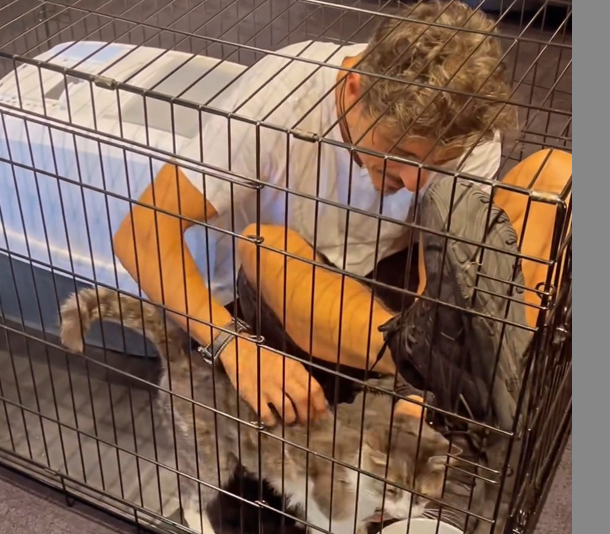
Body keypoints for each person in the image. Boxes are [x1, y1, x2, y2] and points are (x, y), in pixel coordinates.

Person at [112, 2, 571, 426]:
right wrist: (232, 344)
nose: (416, 183)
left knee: (558, 175)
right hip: (289, 296)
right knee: (265, 246)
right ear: (355, 90)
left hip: (394, 291)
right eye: (403, 154)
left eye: (438, 163)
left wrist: (430, 355)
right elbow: (142, 231)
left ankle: (452, 383)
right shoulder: (282, 93)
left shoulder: (468, 131)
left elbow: (444, 269)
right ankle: (459, 381)